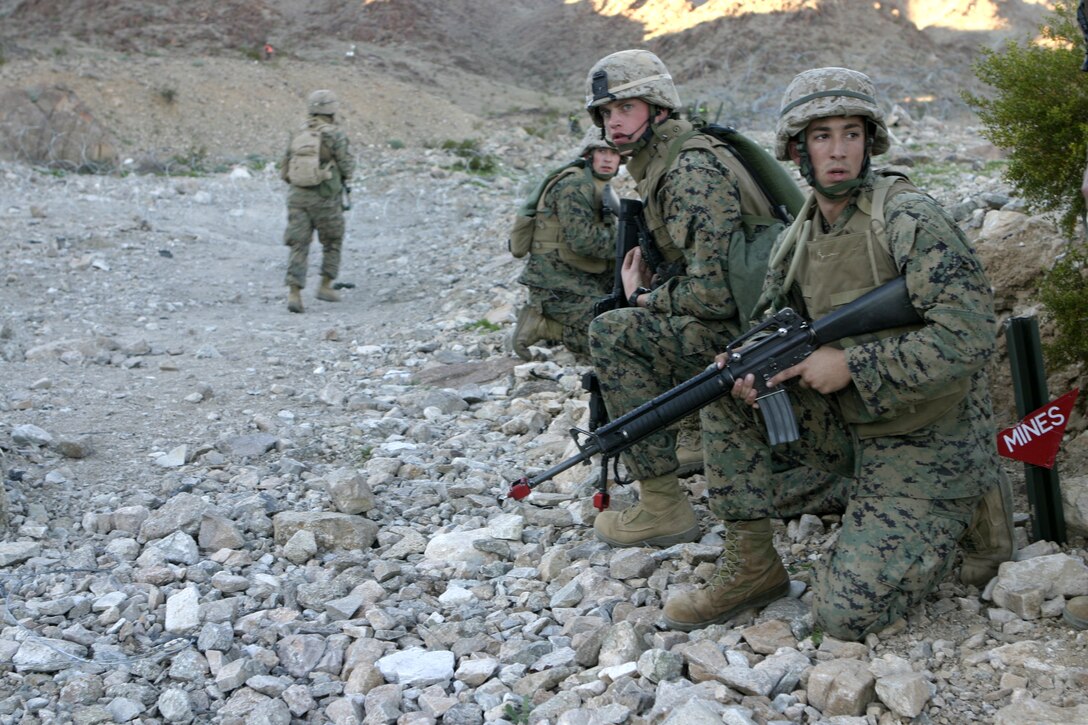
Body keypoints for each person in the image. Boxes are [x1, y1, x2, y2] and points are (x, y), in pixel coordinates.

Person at [661, 67, 1014, 640]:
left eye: (851, 133)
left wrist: (851, 364)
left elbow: (969, 335)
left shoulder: (906, 217)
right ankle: (752, 569)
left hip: (930, 438)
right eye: (821, 136)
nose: (838, 150)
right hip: (859, 423)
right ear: (797, 149)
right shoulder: (797, 237)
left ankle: (971, 496)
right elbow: (774, 327)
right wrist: (749, 364)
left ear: (870, 141)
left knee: (843, 616)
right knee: (724, 393)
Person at [583, 49, 842, 548]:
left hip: (760, 334)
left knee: (614, 331)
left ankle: (662, 506)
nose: (613, 122)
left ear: (658, 107)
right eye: (606, 112)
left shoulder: (688, 171)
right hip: (761, 319)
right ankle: (695, 438)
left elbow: (711, 295)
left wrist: (643, 298)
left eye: (626, 108)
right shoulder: (674, 155)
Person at [509, 128, 621, 360]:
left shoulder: (598, 185)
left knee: (627, 315)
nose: (608, 159)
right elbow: (584, 241)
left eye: (614, 153)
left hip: (580, 276)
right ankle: (543, 325)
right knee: (613, 339)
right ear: (589, 154)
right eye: (602, 151)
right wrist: (627, 242)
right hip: (557, 284)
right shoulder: (575, 185)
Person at [280, 90, 355, 313]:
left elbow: (284, 170)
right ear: (332, 110)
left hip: (297, 198)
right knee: (332, 241)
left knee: (298, 245)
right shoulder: (335, 135)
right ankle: (325, 286)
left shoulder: (298, 133)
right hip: (326, 198)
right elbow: (347, 168)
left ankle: (294, 293)